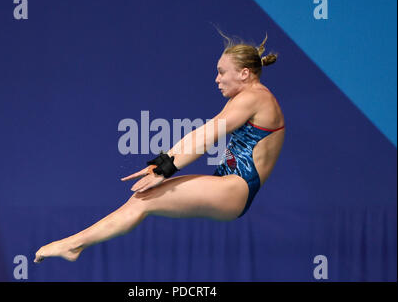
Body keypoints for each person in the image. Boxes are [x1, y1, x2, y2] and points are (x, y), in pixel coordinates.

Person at [34, 30, 285, 263]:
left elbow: (207, 136)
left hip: (236, 188)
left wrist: (165, 168)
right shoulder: (246, 98)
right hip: (231, 185)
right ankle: (72, 245)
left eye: (221, 72)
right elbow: (199, 134)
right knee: (142, 197)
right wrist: (159, 165)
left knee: (144, 201)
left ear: (244, 73)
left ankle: (72, 245)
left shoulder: (255, 97)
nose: (216, 79)